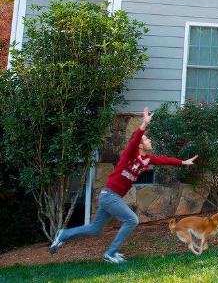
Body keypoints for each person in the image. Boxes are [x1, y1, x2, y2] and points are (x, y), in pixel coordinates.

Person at [49, 107, 197, 264]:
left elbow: (163, 160)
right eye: (147, 139)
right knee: (132, 219)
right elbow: (134, 140)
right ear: (140, 145)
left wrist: (182, 162)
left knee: (94, 229)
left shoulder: (146, 160)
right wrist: (144, 124)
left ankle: (62, 235)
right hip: (110, 195)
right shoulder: (129, 155)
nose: (150, 141)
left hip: (110, 196)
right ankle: (111, 253)